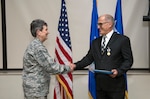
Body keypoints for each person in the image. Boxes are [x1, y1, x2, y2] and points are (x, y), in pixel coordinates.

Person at [74, 14, 133, 99]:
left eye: (100, 24)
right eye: (98, 24)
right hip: (100, 87)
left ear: (109, 24)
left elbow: (128, 60)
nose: (98, 27)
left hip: (115, 87)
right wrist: (75, 65)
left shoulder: (122, 40)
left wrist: (118, 71)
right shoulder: (95, 42)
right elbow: (88, 59)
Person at [22, 19, 75, 99]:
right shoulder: (38, 47)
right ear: (38, 32)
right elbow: (51, 67)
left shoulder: (34, 45)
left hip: (34, 90)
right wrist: (68, 68)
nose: (48, 32)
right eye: (45, 29)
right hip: (36, 91)